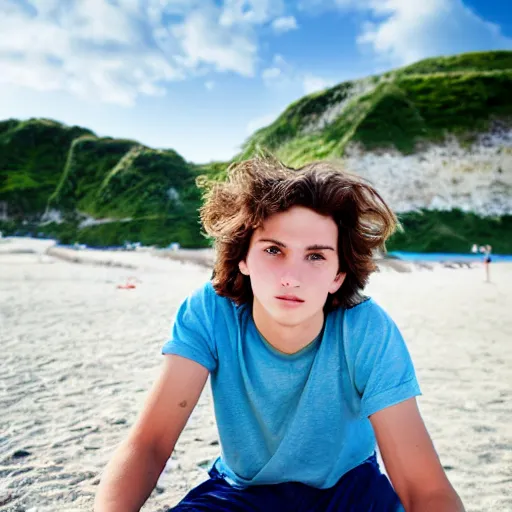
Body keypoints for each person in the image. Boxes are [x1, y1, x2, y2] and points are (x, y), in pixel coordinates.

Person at [94, 157, 465, 512]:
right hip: (243, 491)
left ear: (339, 274)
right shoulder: (211, 311)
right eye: (274, 250)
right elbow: (151, 443)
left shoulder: (366, 329)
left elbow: (423, 485)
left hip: (350, 489)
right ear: (243, 257)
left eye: (316, 256)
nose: (292, 277)